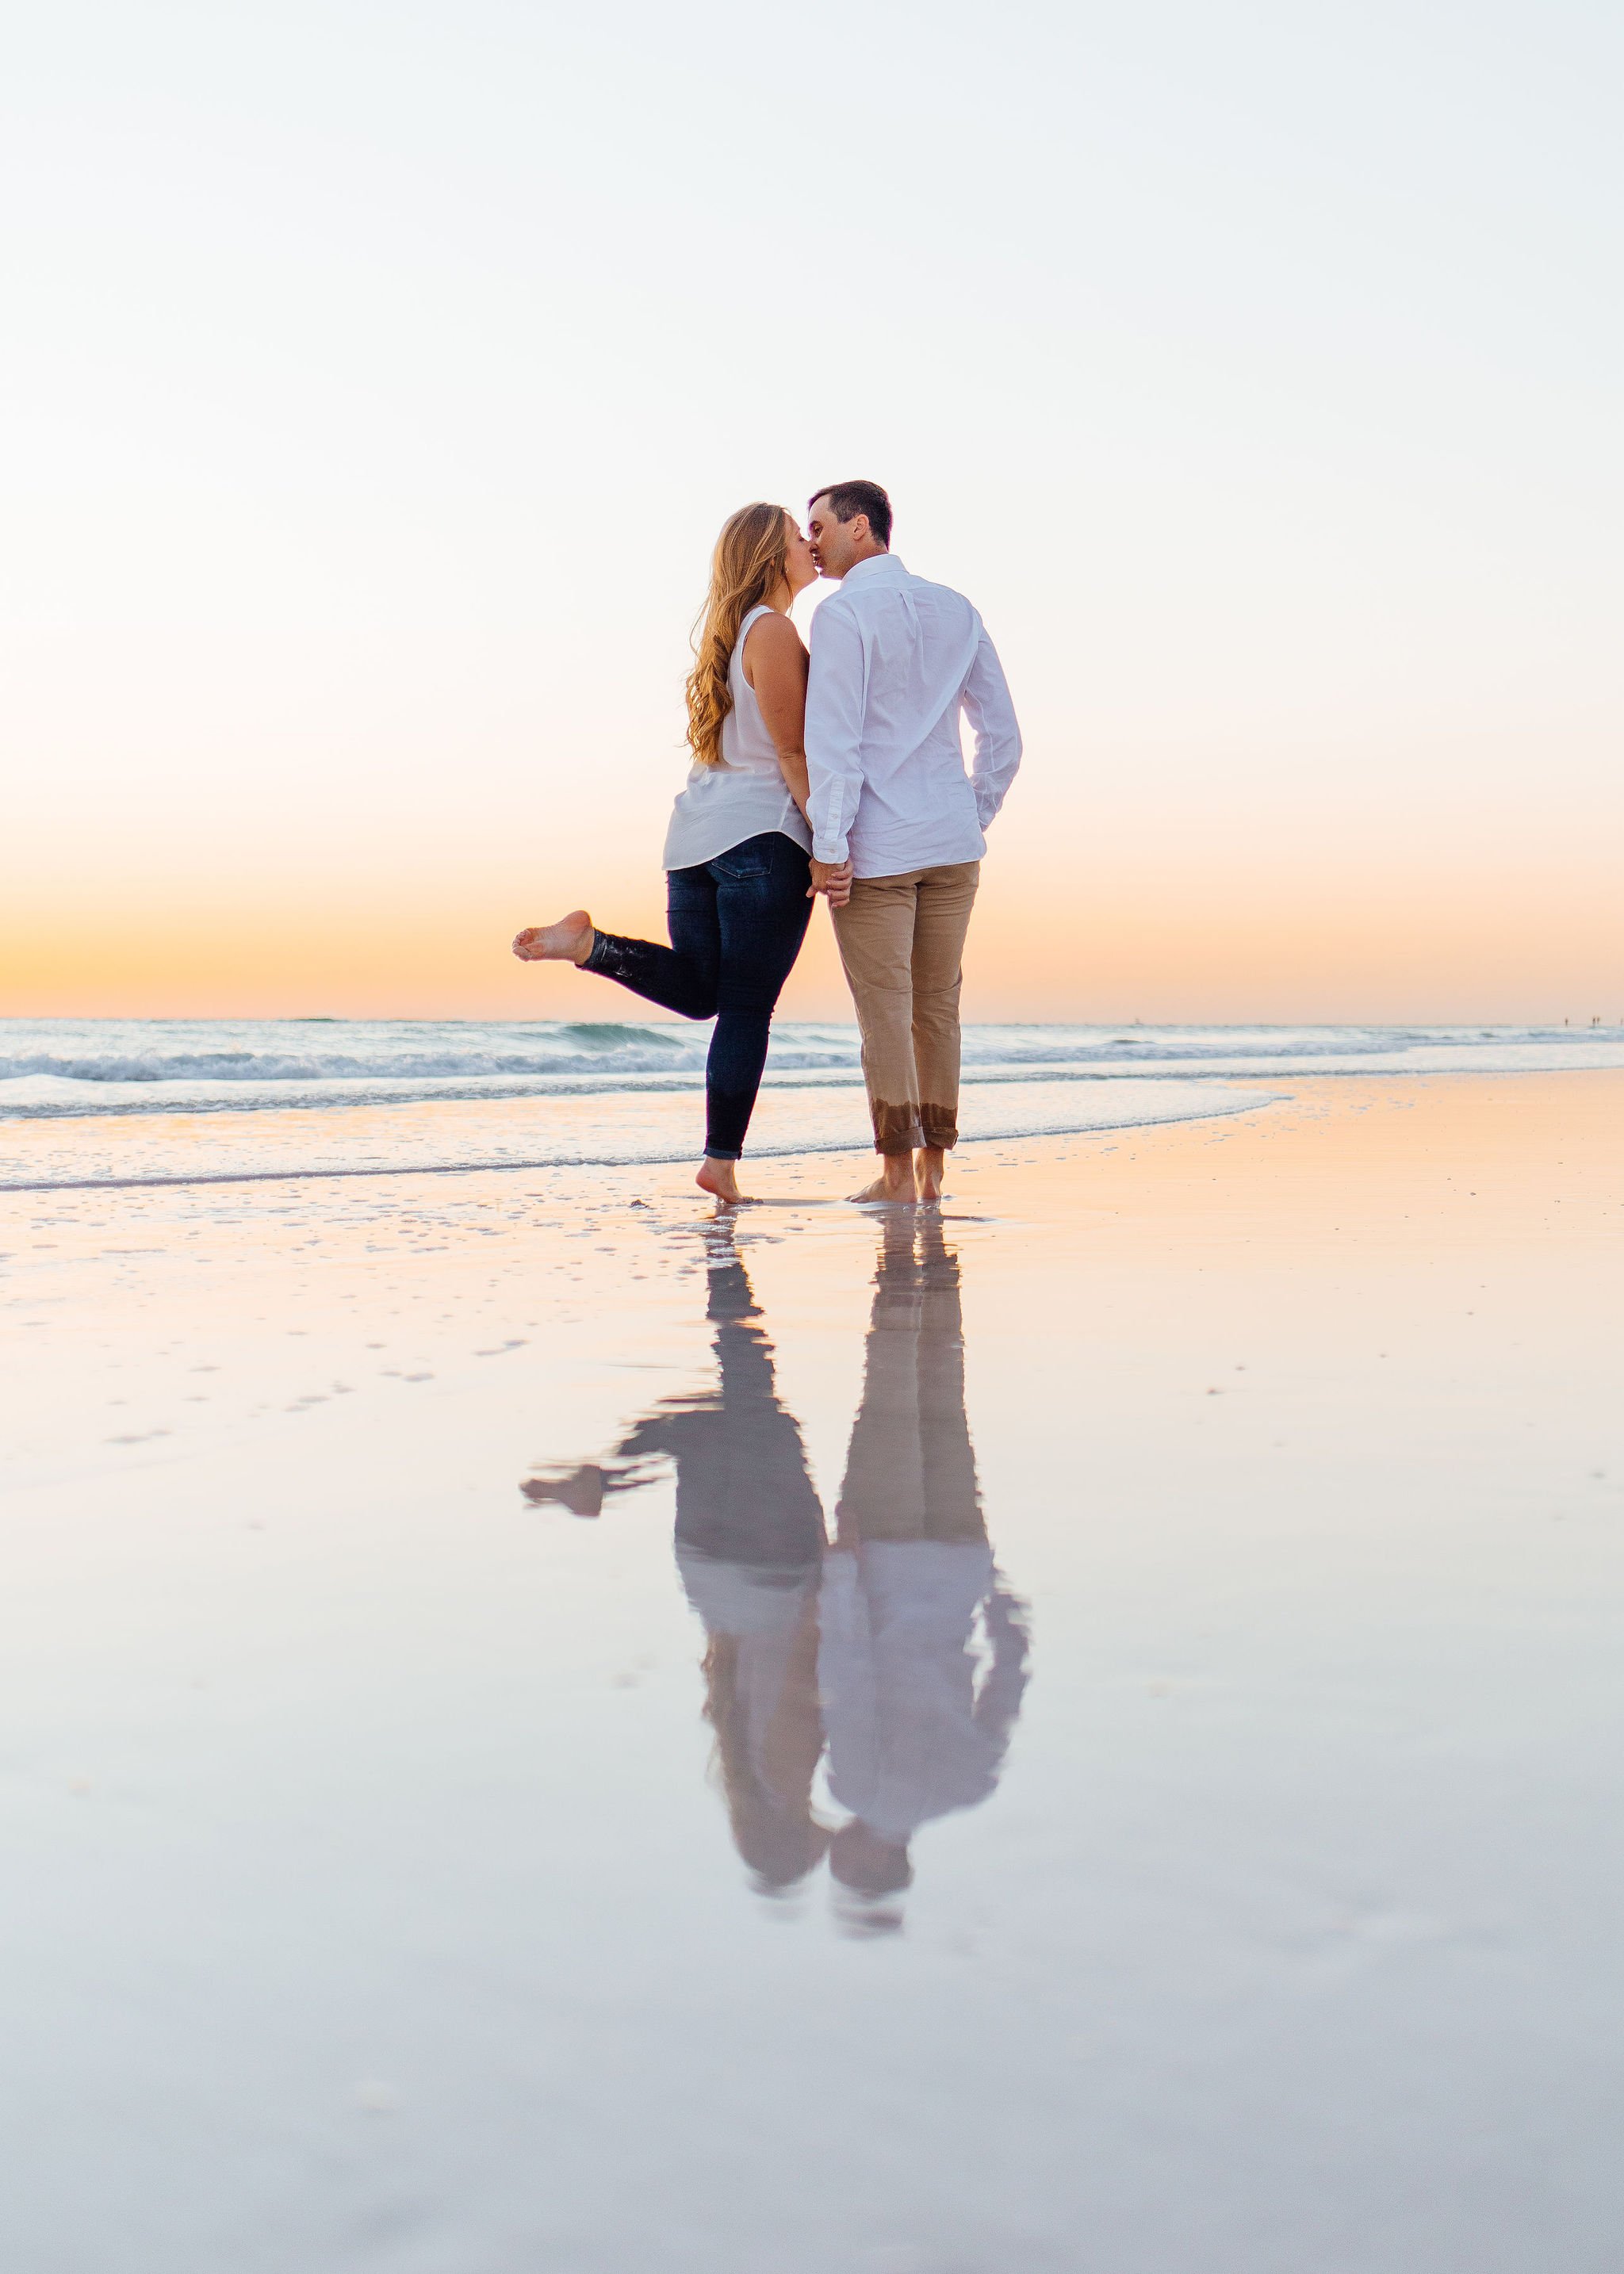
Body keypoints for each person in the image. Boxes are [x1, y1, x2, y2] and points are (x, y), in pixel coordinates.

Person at [511, 503, 849, 1204]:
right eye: (797, 536)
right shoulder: (774, 630)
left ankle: (588, 946)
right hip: (763, 839)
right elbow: (791, 750)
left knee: (704, 994)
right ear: (769, 553)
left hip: (692, 843)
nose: (809, 546)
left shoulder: (724, 642)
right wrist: (827, 842)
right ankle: (720, 1163)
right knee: (746, 1007)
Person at [802, 480, 1021, 1204]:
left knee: (885, 1010)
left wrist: (828, 845)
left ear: (860, 527)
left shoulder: (842, 615)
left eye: (821, 527)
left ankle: (896, 1173)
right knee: (937, 1007)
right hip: (953, 845)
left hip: (877, 850)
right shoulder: (957, 608)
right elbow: (1003, 737)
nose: (812, 542)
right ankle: (932, 1174)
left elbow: (833, 740)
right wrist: (970, 812)